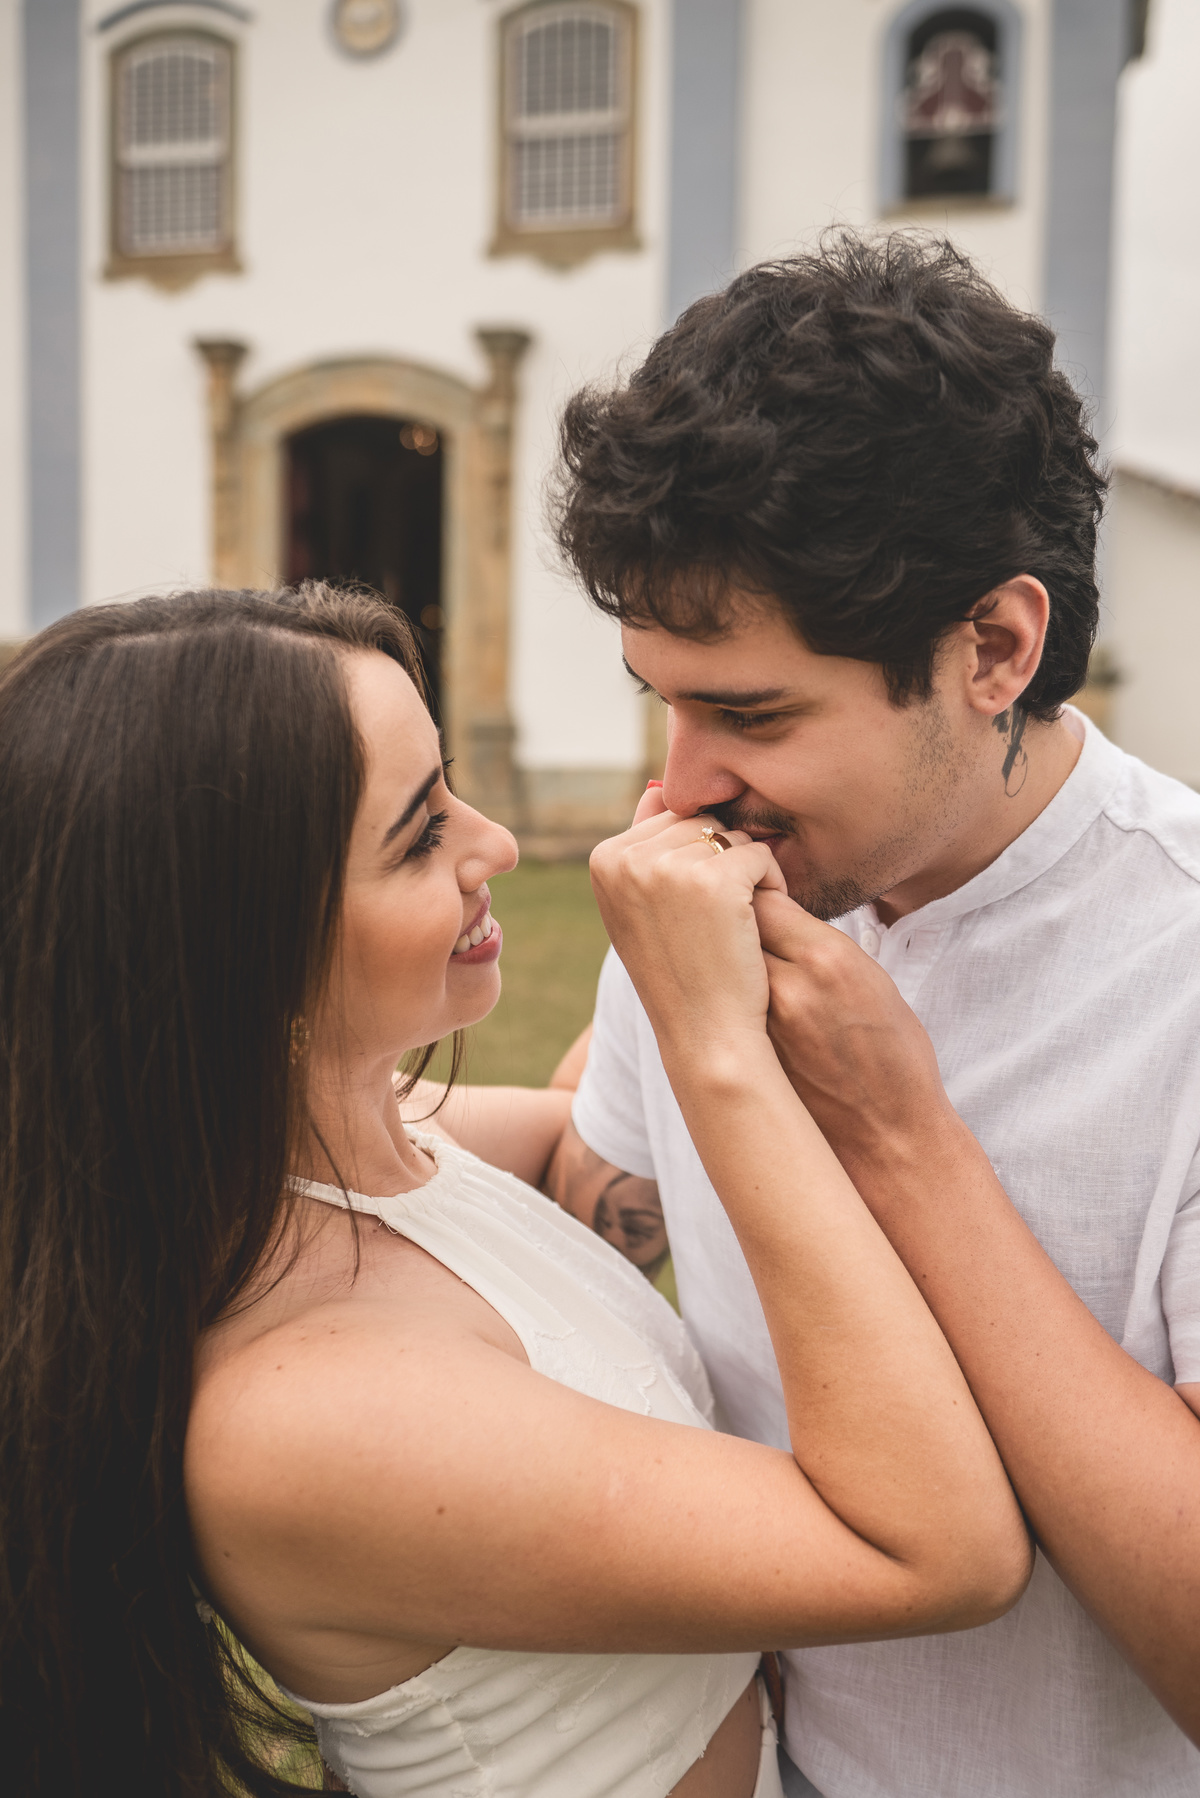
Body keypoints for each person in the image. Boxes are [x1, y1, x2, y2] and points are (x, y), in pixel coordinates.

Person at [0, 584, 1028, 1798]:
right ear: (243, 947)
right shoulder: (302, 1417)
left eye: (450, 789)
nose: (492, 844)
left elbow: (578, 1166)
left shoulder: (365, 1158)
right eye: (419, 833)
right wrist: (709, 1042)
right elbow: (937, 1551)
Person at [549, 230, 1200, 1798]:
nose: (685, 780)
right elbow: (605, 1208)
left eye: (754, 712)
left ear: (995, 647)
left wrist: (901, 1137)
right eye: (666, 698)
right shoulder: (709, 881)